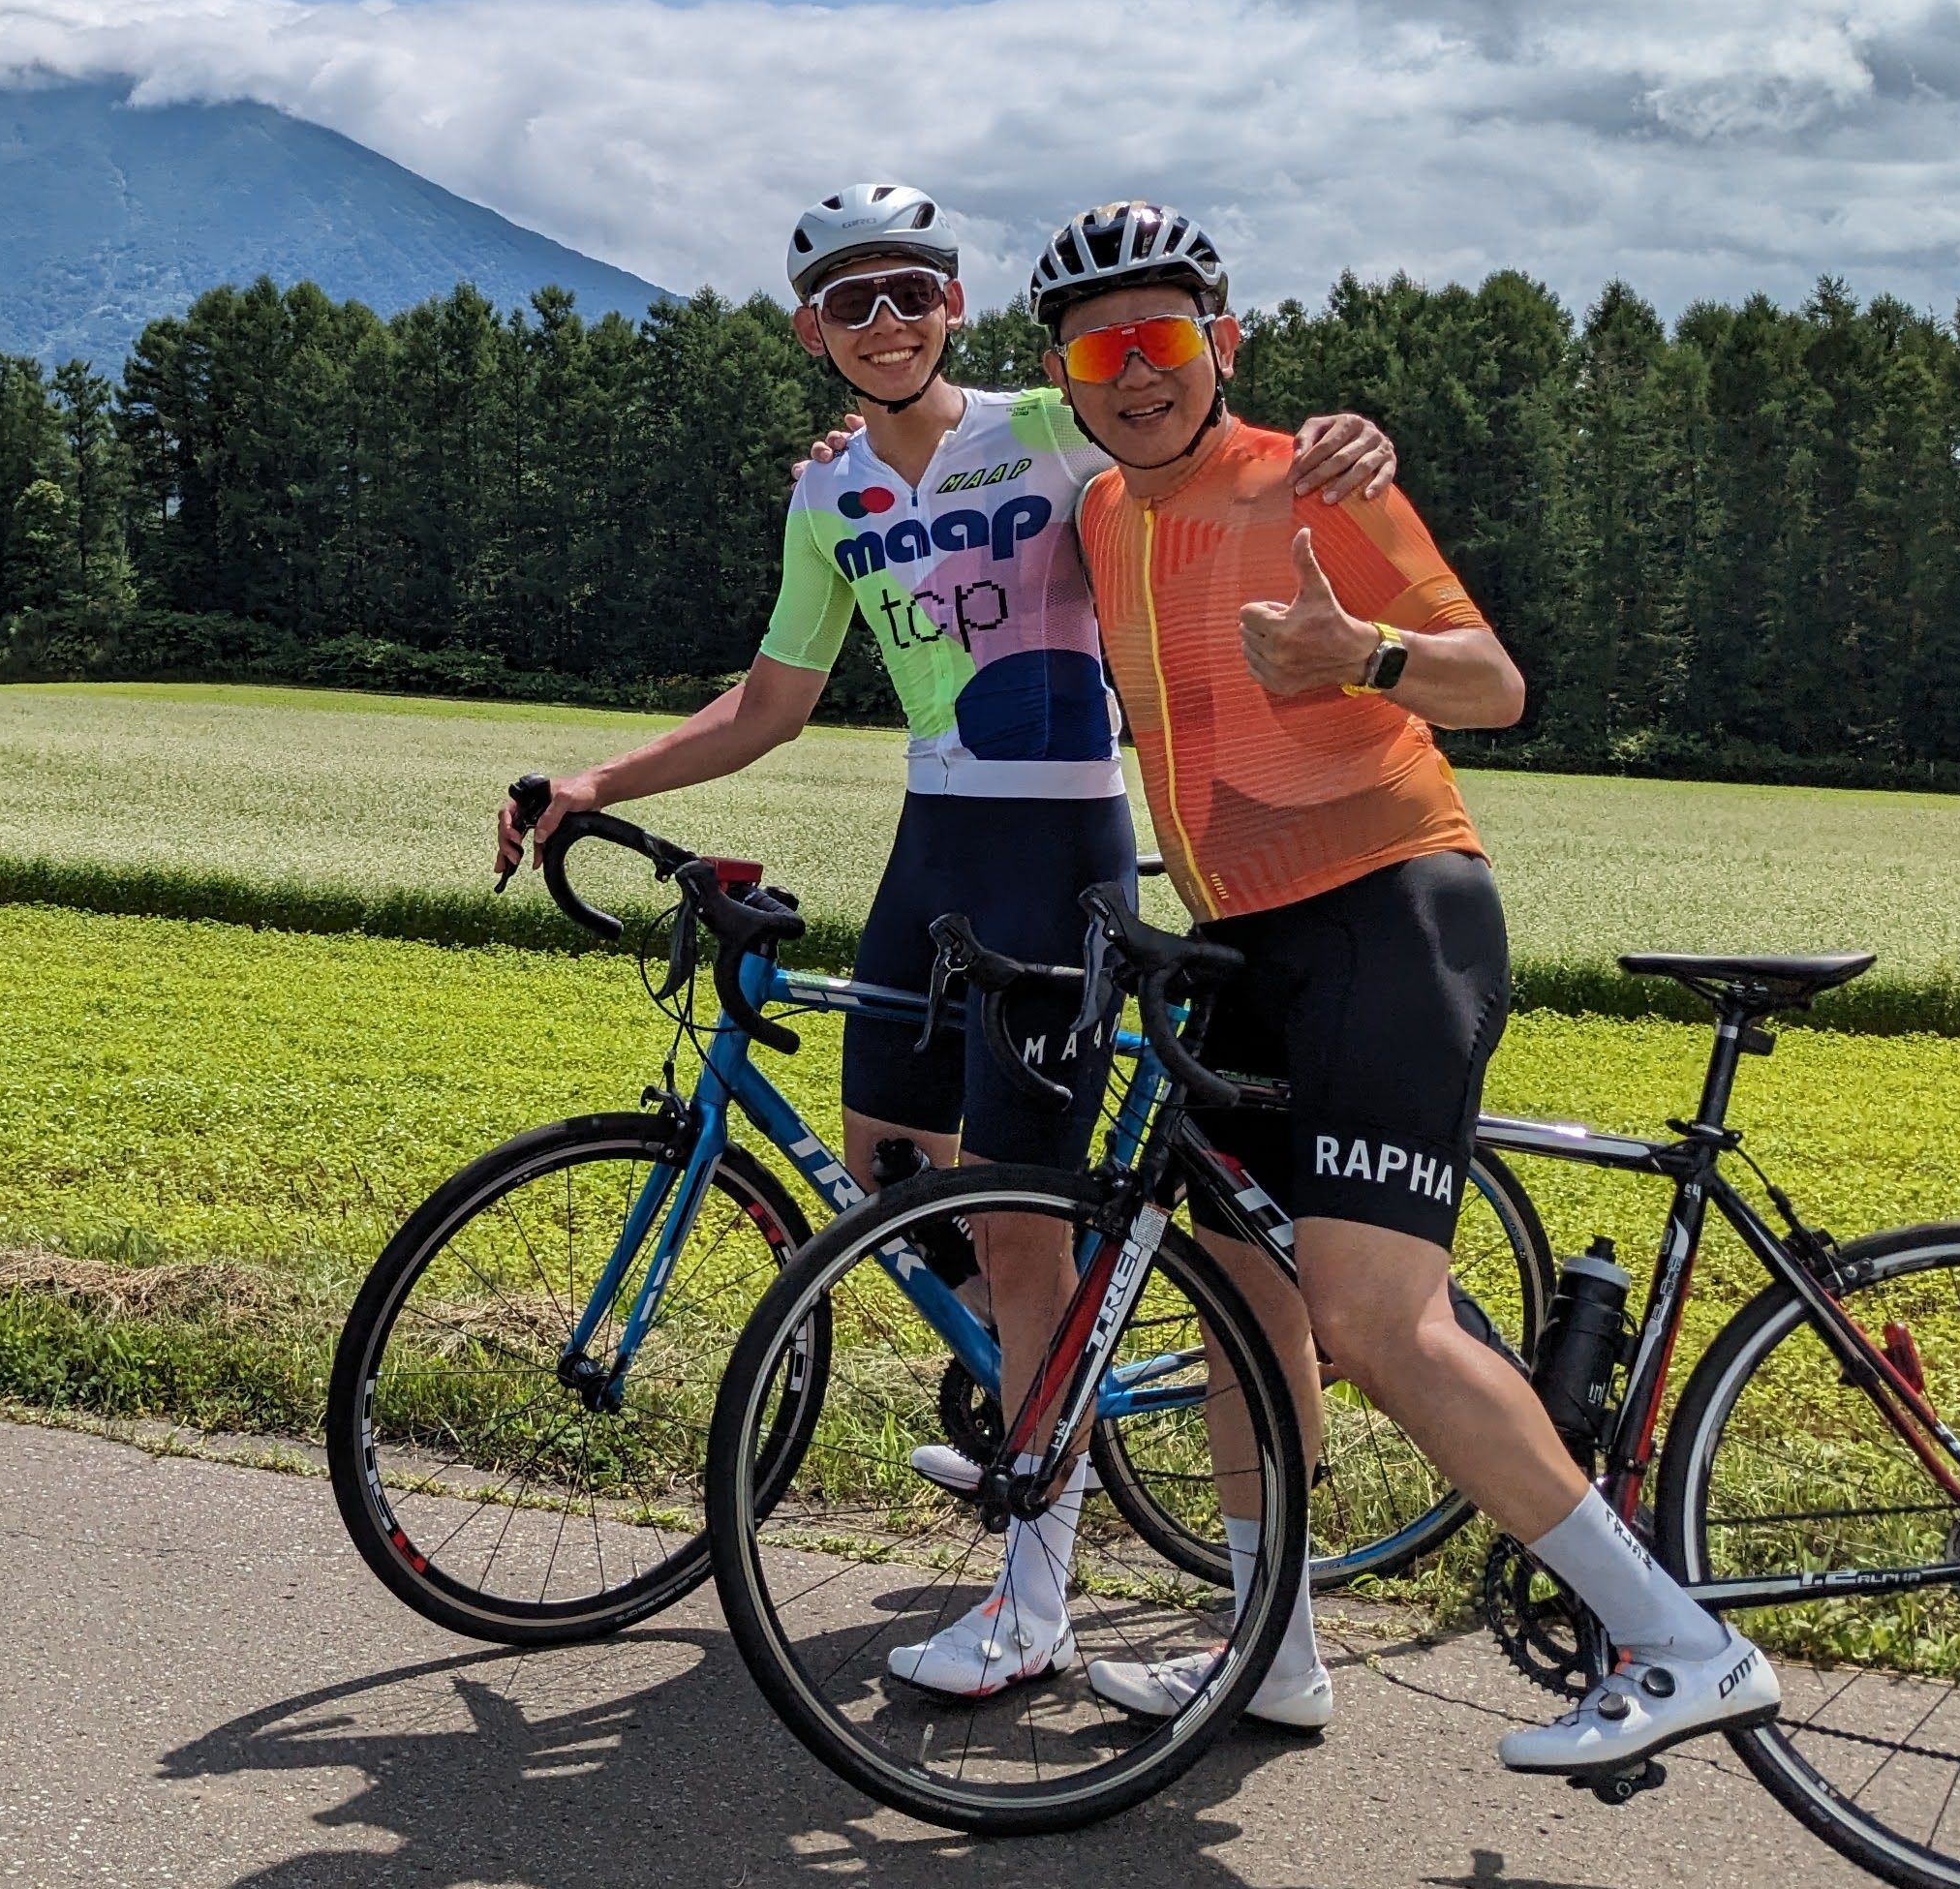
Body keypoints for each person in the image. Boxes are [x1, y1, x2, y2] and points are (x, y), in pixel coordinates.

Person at [492, 183, 1396, 1701]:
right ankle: (1028, 1394)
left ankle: (1034, 1587)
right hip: (935, 846)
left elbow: (1206, 435)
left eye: (913, 291)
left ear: (955, 307)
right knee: (890, 1158)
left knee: (1024, 1216)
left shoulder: (1052, 427)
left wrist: (1347, 442)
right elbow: (772, 700)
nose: (887, 321)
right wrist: (597, 778)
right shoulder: (827, 494)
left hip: (1060, 839)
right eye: (854, 302)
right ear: (811, 331)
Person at [1033, 198, 1778, 1775]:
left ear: (1219, 345)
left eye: (1164, 338)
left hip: (1387, 910)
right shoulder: (1100, 511)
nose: (1136, 370)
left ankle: (1674, 1638)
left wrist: (1357, 657)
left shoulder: (1311, 479)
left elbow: (1494, 686)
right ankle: (1269, 1651)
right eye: (1103, 348)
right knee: (1249, 1306)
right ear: (1066, 374)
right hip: (1245, 946)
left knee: (1372, 1318)